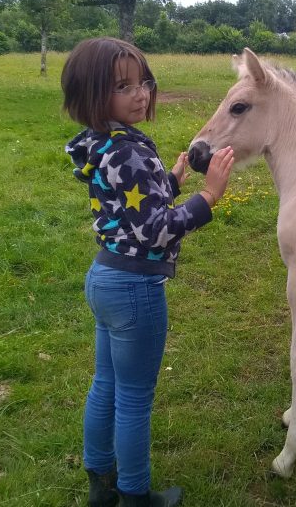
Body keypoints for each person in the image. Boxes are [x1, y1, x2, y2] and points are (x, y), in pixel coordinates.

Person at [62, 37, 234, 507]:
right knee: (134, 398)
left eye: (144, 83)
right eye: (123, 87)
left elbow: (129, 208)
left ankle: (101, 485)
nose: (140, 95)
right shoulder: (130, 151)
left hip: (104, 278)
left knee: (106, 385)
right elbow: (156, 231)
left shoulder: (103, 144)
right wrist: (209, 195)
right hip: (135, 290)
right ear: (92, 94)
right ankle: (136, 495)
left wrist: (171, 180)